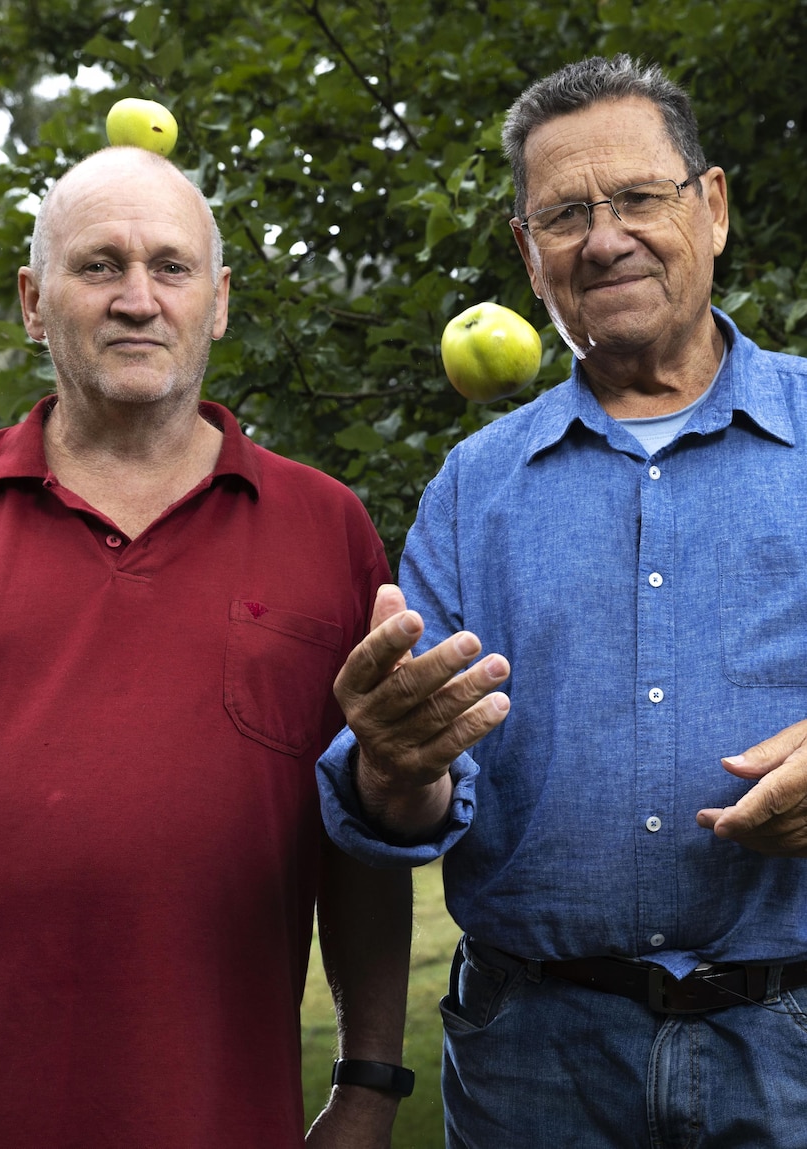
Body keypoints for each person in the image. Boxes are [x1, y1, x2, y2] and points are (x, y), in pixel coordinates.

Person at [317, 52, 807, 1148]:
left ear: (714, 207)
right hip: (531, 1056)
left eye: (638, 197)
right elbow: (417, 800)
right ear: (526, 254)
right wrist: (395, 765)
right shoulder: (470, 490)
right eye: (565, 214)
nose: (603, 236)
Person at [0, 145, 414, 1148]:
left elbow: (363, 837)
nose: (136, 298)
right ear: (33, 302)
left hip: (215, 1114)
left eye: (170, 267)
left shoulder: (324, 528)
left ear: (219, 302)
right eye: (98, 266)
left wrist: (370, 1084)